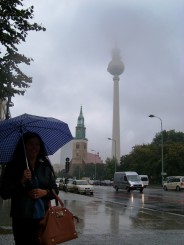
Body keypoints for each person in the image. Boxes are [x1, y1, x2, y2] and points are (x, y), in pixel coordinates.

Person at [0, 132, 59, 245]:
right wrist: (21, 181)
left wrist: (45, 192)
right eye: (30, 144)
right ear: (24, 146)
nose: (34, 147)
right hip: (22, 219)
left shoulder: (45, 167)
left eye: (37, 144)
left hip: (43, 218)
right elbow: (4, 193)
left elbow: (55, 190)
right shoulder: (13, 167)